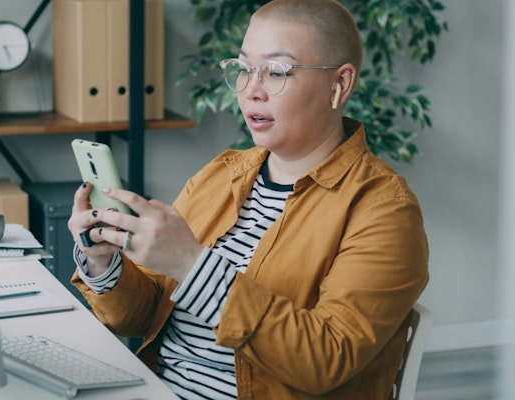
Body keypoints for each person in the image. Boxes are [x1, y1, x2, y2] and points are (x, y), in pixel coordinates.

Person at [67, 0, 429, 398]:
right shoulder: (222, 174)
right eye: (242, 69)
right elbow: (142, 316)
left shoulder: (384, 208)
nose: (251, 91)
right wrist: (104, 262)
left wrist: (191, 263)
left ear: (339, 84)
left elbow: (326, 359)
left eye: (276, 72)